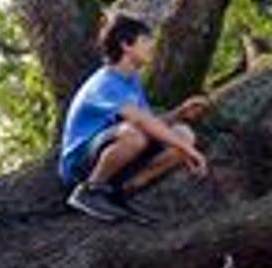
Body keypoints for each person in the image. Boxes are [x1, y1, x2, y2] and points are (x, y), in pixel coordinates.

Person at [59, 13, 210, 223]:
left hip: (121, 147)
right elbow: (140, 122)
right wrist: (191, 152)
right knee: (135, 135)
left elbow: (150, 123)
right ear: (126, 45)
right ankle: (90, 191)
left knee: (183, 134)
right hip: (81, 163)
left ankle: (123, 191)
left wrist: (179, 113)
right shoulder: (105, 84)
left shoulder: (131, 80)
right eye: (145, 41)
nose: (151, 46)